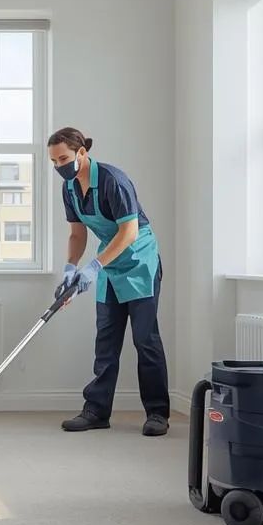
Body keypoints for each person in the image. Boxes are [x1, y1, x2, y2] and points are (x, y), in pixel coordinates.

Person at [50, 126, 170, 436]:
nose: (59, 166)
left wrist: (92, 268)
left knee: (145, 339)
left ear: (81, 153)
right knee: (106, 340)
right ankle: (96, 410)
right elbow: (77, 234)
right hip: (108, 263)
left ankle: (157, 413)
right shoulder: (70, 190)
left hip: (138, 259)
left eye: (63, 158)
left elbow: (129, 232)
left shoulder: (113, 181)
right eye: (53, 162)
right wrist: (70, 268)